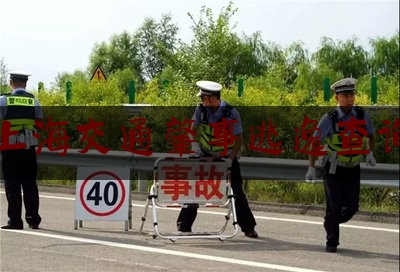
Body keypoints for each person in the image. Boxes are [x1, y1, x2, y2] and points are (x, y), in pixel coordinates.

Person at [176, 80, 258, 238]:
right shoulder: (201, 111)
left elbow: (239, 139)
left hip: (227, 157)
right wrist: (195, 146)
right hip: (206, 155)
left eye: (203, 98)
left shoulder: (231, 113)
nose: (201, 101)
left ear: (212, 99)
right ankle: (184, 225)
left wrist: (230, 159)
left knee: (237, 192)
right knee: (194, 188)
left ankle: (248, 227)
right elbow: (191, 131)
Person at [305, 77, 376, 252]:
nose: (349, 98)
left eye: (351, 94)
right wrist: (311, 168)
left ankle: (330, 220)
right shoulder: (330, 118)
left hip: (353, 168)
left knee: (351, 207)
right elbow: (315, 143)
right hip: (333, 168)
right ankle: (332, 242)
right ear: (337, 98)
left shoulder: (361, 114)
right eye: (345, 95)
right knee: (334, 205)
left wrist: (370, 153)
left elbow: (371, 135)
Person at [0, 71, 43, 230]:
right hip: (29, 147)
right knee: (30, 184)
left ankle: (15, 221)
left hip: (11, 147)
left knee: (12, 184)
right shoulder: (34, 101)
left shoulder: (4, 100)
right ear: (25, 84)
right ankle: (33, 219)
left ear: (11, 82)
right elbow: (39, 121)